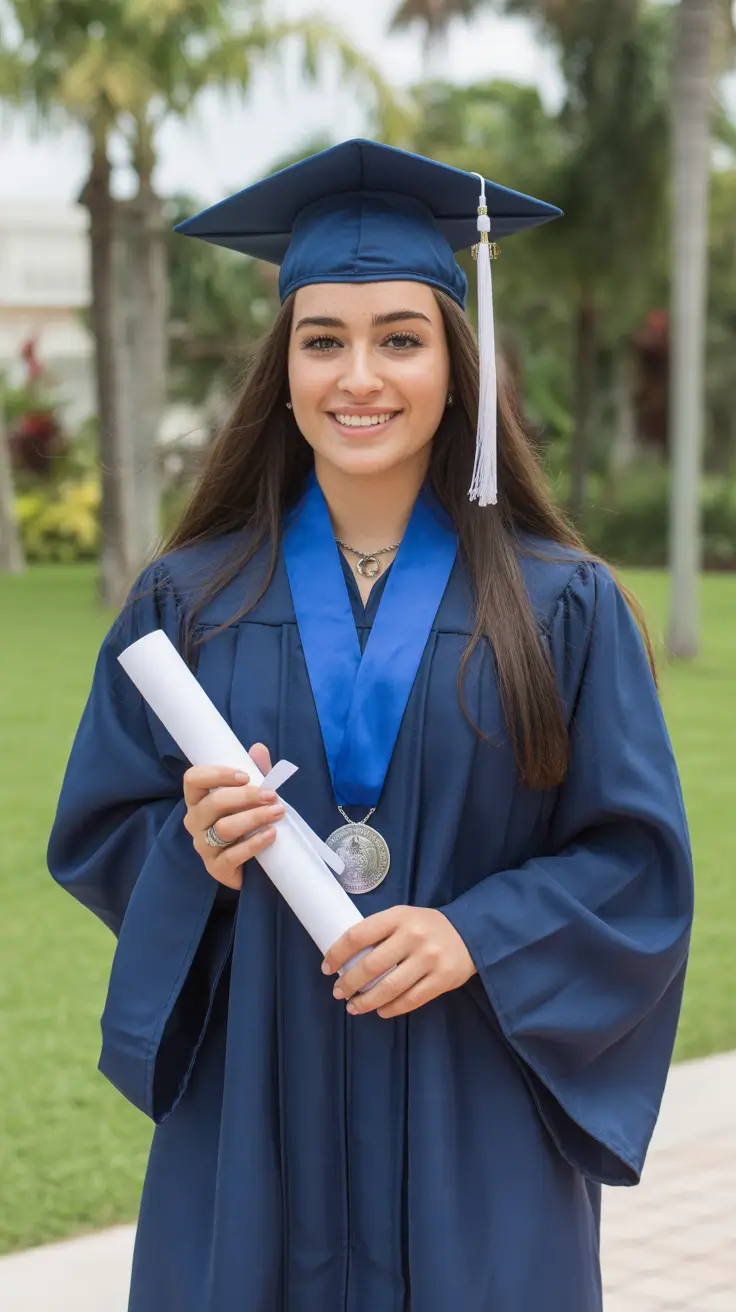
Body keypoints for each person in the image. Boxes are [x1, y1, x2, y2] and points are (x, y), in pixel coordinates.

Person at [48, 139, 693, 1312]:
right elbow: (101, 829)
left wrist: (477, 933)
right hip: (256, 1111)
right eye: (322, 340)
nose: (359, 376)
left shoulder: (561, 608)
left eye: (400, 338)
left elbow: (635, 862)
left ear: (454, 363)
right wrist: (196, 853)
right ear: (283, 369)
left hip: (473, 1107)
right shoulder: (188, 604)